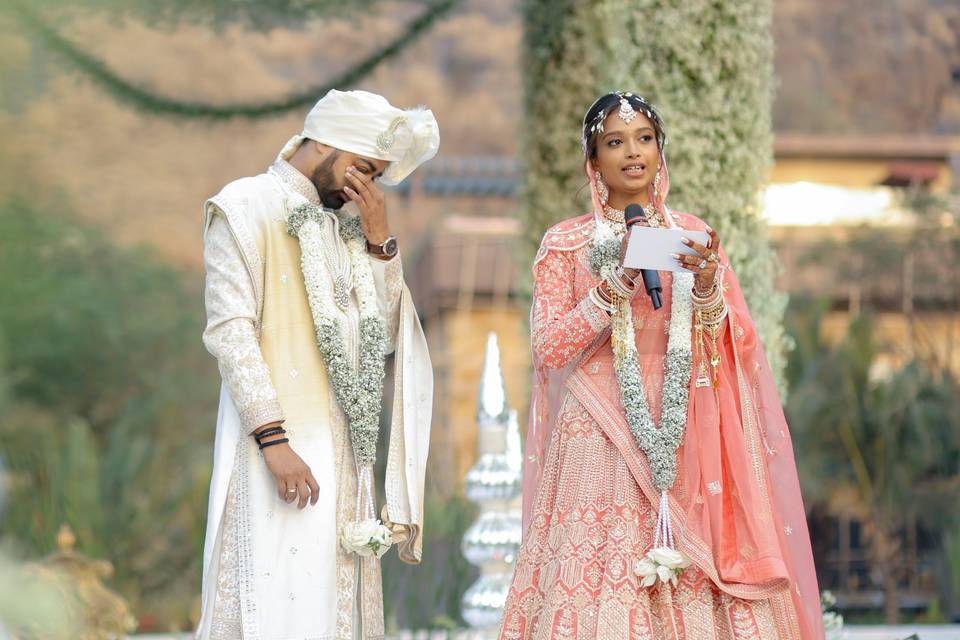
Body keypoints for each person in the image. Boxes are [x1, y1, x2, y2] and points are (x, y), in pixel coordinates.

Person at [499, 92, 824, 639]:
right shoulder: (566, 242)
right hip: (597, 438)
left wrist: (705, 288)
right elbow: (550, 348)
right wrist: (612, 289)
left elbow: (731, 340)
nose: (633, 153)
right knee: (602, 579)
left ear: (660, 150)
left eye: (644, 138)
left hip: (688, 436)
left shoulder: (693, 236)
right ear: (593, 160)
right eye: (615, 142)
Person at [195, 89, 437, 640]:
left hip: (345, 457)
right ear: (325, 141)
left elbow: (390, 332)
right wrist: (273, 442)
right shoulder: (242, 205)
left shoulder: (351, 227)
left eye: (374, 177)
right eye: (363, 169)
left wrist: (380, 241)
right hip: (272, 448)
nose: (365, 188)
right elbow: (231, 332)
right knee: (271, 592)